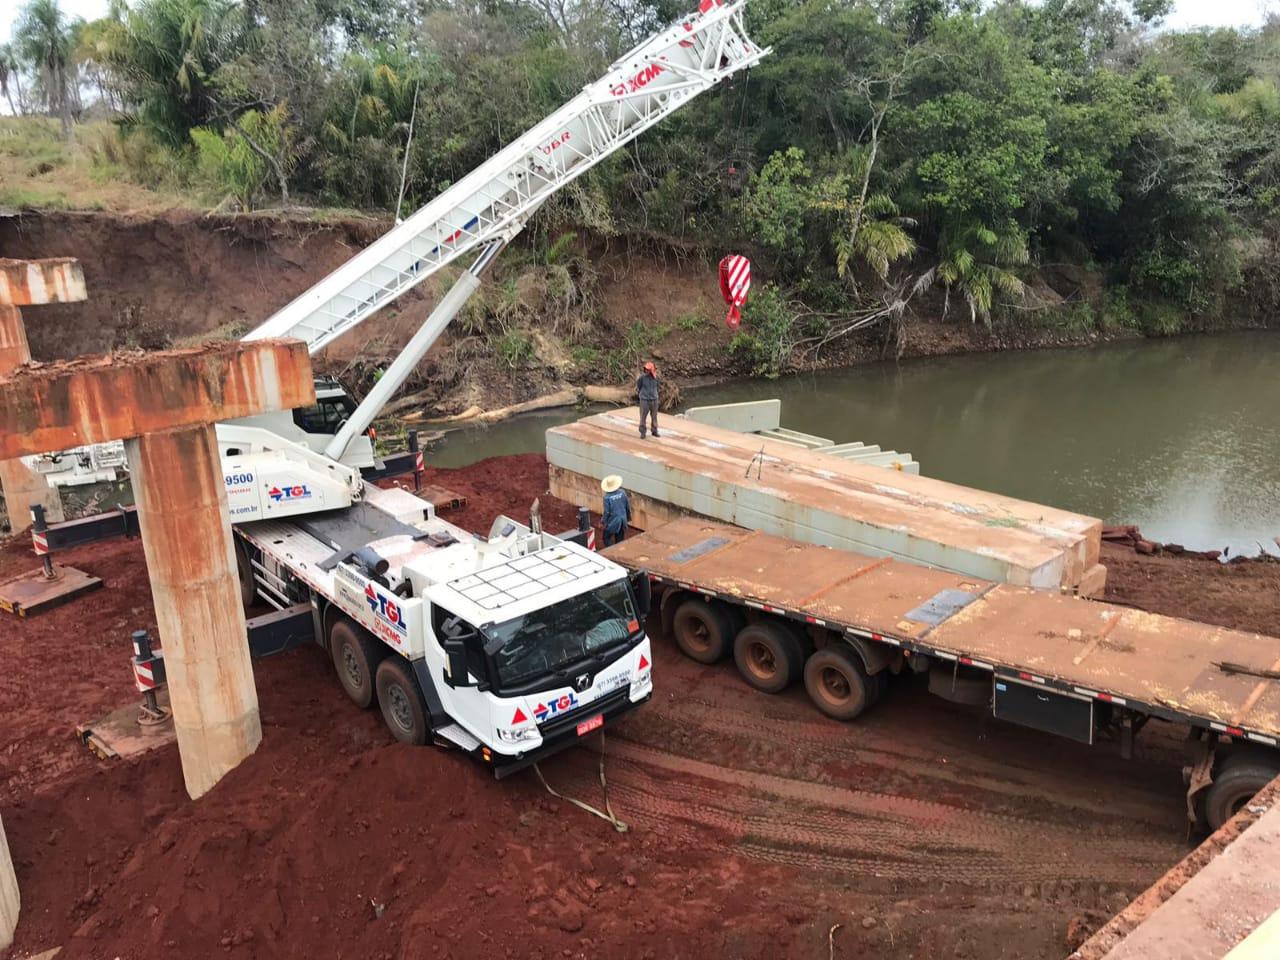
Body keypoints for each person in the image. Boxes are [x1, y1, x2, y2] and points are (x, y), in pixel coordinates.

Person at [601, 474, 631, 546]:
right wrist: (628, 518)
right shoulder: (622, 492)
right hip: (622, 520)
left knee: (606, 537)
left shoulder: (607, 497)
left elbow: (607, 512)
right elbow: (627, 506)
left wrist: (603, 522)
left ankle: (611, 549)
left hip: (613, 521)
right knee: (619, 540)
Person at [637, 360, 660, 438]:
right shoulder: (642, 378)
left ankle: (654, 431)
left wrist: (655, 394)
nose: (646, 371)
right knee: (643, 416)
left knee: (654, 416)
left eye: (648, 370)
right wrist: (643, 394)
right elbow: (639, 385)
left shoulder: (656, 378)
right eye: (646, 369)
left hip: (654, 399)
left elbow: (658, 386)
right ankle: (642, 432)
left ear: (652, 370)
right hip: (644, 400)